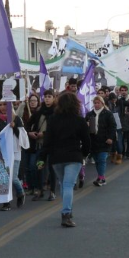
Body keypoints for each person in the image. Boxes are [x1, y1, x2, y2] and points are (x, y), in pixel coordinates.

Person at [38, 92, 90, 227]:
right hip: (74, 156)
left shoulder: (53, 120)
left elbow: (47, 141)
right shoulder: (80, 120)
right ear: (76, 104)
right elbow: (87, 141)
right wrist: (84, 154)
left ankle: (68, 209)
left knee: (63, 184)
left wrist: (42, 158)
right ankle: (66, 213)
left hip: (56, 157)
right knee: (68, 185)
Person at [26, 90, 56, 201]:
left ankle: (52, 191)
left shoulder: (56, 112)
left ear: (53, 98)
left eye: (49, 96)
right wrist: (30, 132)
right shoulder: (39, 112)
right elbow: (28, 124)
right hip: (40, 146)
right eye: (45, 96)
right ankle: (39, 190)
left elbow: (57, 129)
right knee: (38, 167)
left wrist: (44, 134)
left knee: (51, 169)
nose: (47, 99)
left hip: (52, 145)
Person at [87, 96, 116, 187]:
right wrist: (86, 125)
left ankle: (101, 178)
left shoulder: (107, 114)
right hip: (93, 140)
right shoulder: (90, 114)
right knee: (97, 160)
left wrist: (110, 138)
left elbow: (113, 126)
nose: (96, 105)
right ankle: (100, 176)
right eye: (95, 103)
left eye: (98, 103)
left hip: (104, 140)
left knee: (102, 159)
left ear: (102, 103)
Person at [108, 93, 123, 165]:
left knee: (118, 141)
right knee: (113, 142)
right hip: (111, 126)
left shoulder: (119, 105)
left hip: (118, 126)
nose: (114, 101)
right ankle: (113, 155)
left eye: (115, 99)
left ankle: (119, 156)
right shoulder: (108, 105)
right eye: (112, 99)